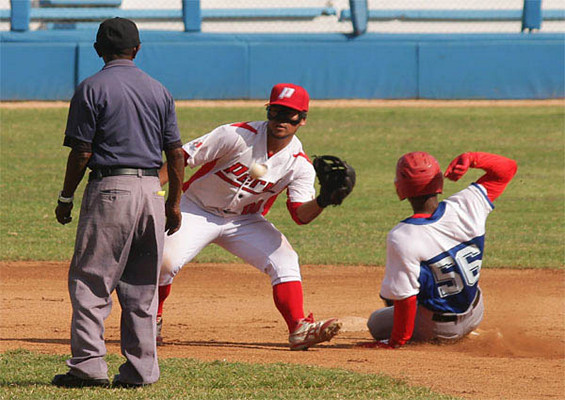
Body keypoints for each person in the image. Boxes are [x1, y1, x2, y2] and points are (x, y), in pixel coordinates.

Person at [156, 83, 351, 351]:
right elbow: (183, 157)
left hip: (244, 221)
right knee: (165, 262)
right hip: (196, 208)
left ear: (302, 120)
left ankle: (299, 328)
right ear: (268, 111)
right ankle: (150, 320)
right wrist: (151, 190)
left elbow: (299, 216)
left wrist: (323, 200)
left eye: (290, 115)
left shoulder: (299, 163)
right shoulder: (235, 135)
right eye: (276, 112)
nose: (282, 120)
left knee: (285, 259)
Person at [52, 17, 185, 388]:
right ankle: (141, 372)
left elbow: (81, 152)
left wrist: (66, 197)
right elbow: (175, 154)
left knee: (91, 282)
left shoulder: (91, 87)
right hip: (150, 195)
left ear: (98, 50)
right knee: (142, 288)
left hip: (110, 190)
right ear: (137, 49)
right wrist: (173, 203)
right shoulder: (158, 89)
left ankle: (89, 366)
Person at [365, 151, 517, 348]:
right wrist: (472, 158)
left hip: (439, 329)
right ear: (439, 182)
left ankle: (449, 336)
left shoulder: (402, 235)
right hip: (475, 312)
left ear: (400, 188)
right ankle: (470, 332)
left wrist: (396, 342)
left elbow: (404, 299)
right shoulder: (468, 204)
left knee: (376, 321)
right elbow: (507, 168)